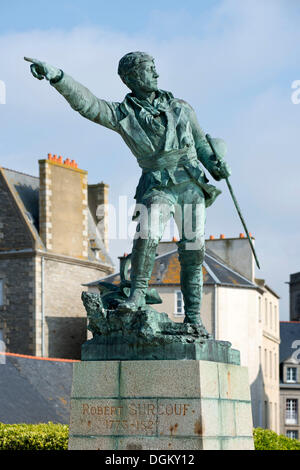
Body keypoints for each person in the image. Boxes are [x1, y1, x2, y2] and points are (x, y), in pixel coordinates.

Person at [25, 51, 231, 326]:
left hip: (190, 184)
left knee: (193, 250)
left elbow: (202, 144)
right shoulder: (123, 114)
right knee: (147, 232)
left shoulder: (182, 107)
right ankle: (137, 295)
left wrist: (217, 166)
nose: (156, 74)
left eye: (155, 68)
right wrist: (58, 77)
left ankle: (193, 317)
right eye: (149, 69)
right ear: (131, 78)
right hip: (157, 182)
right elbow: (88, 104)